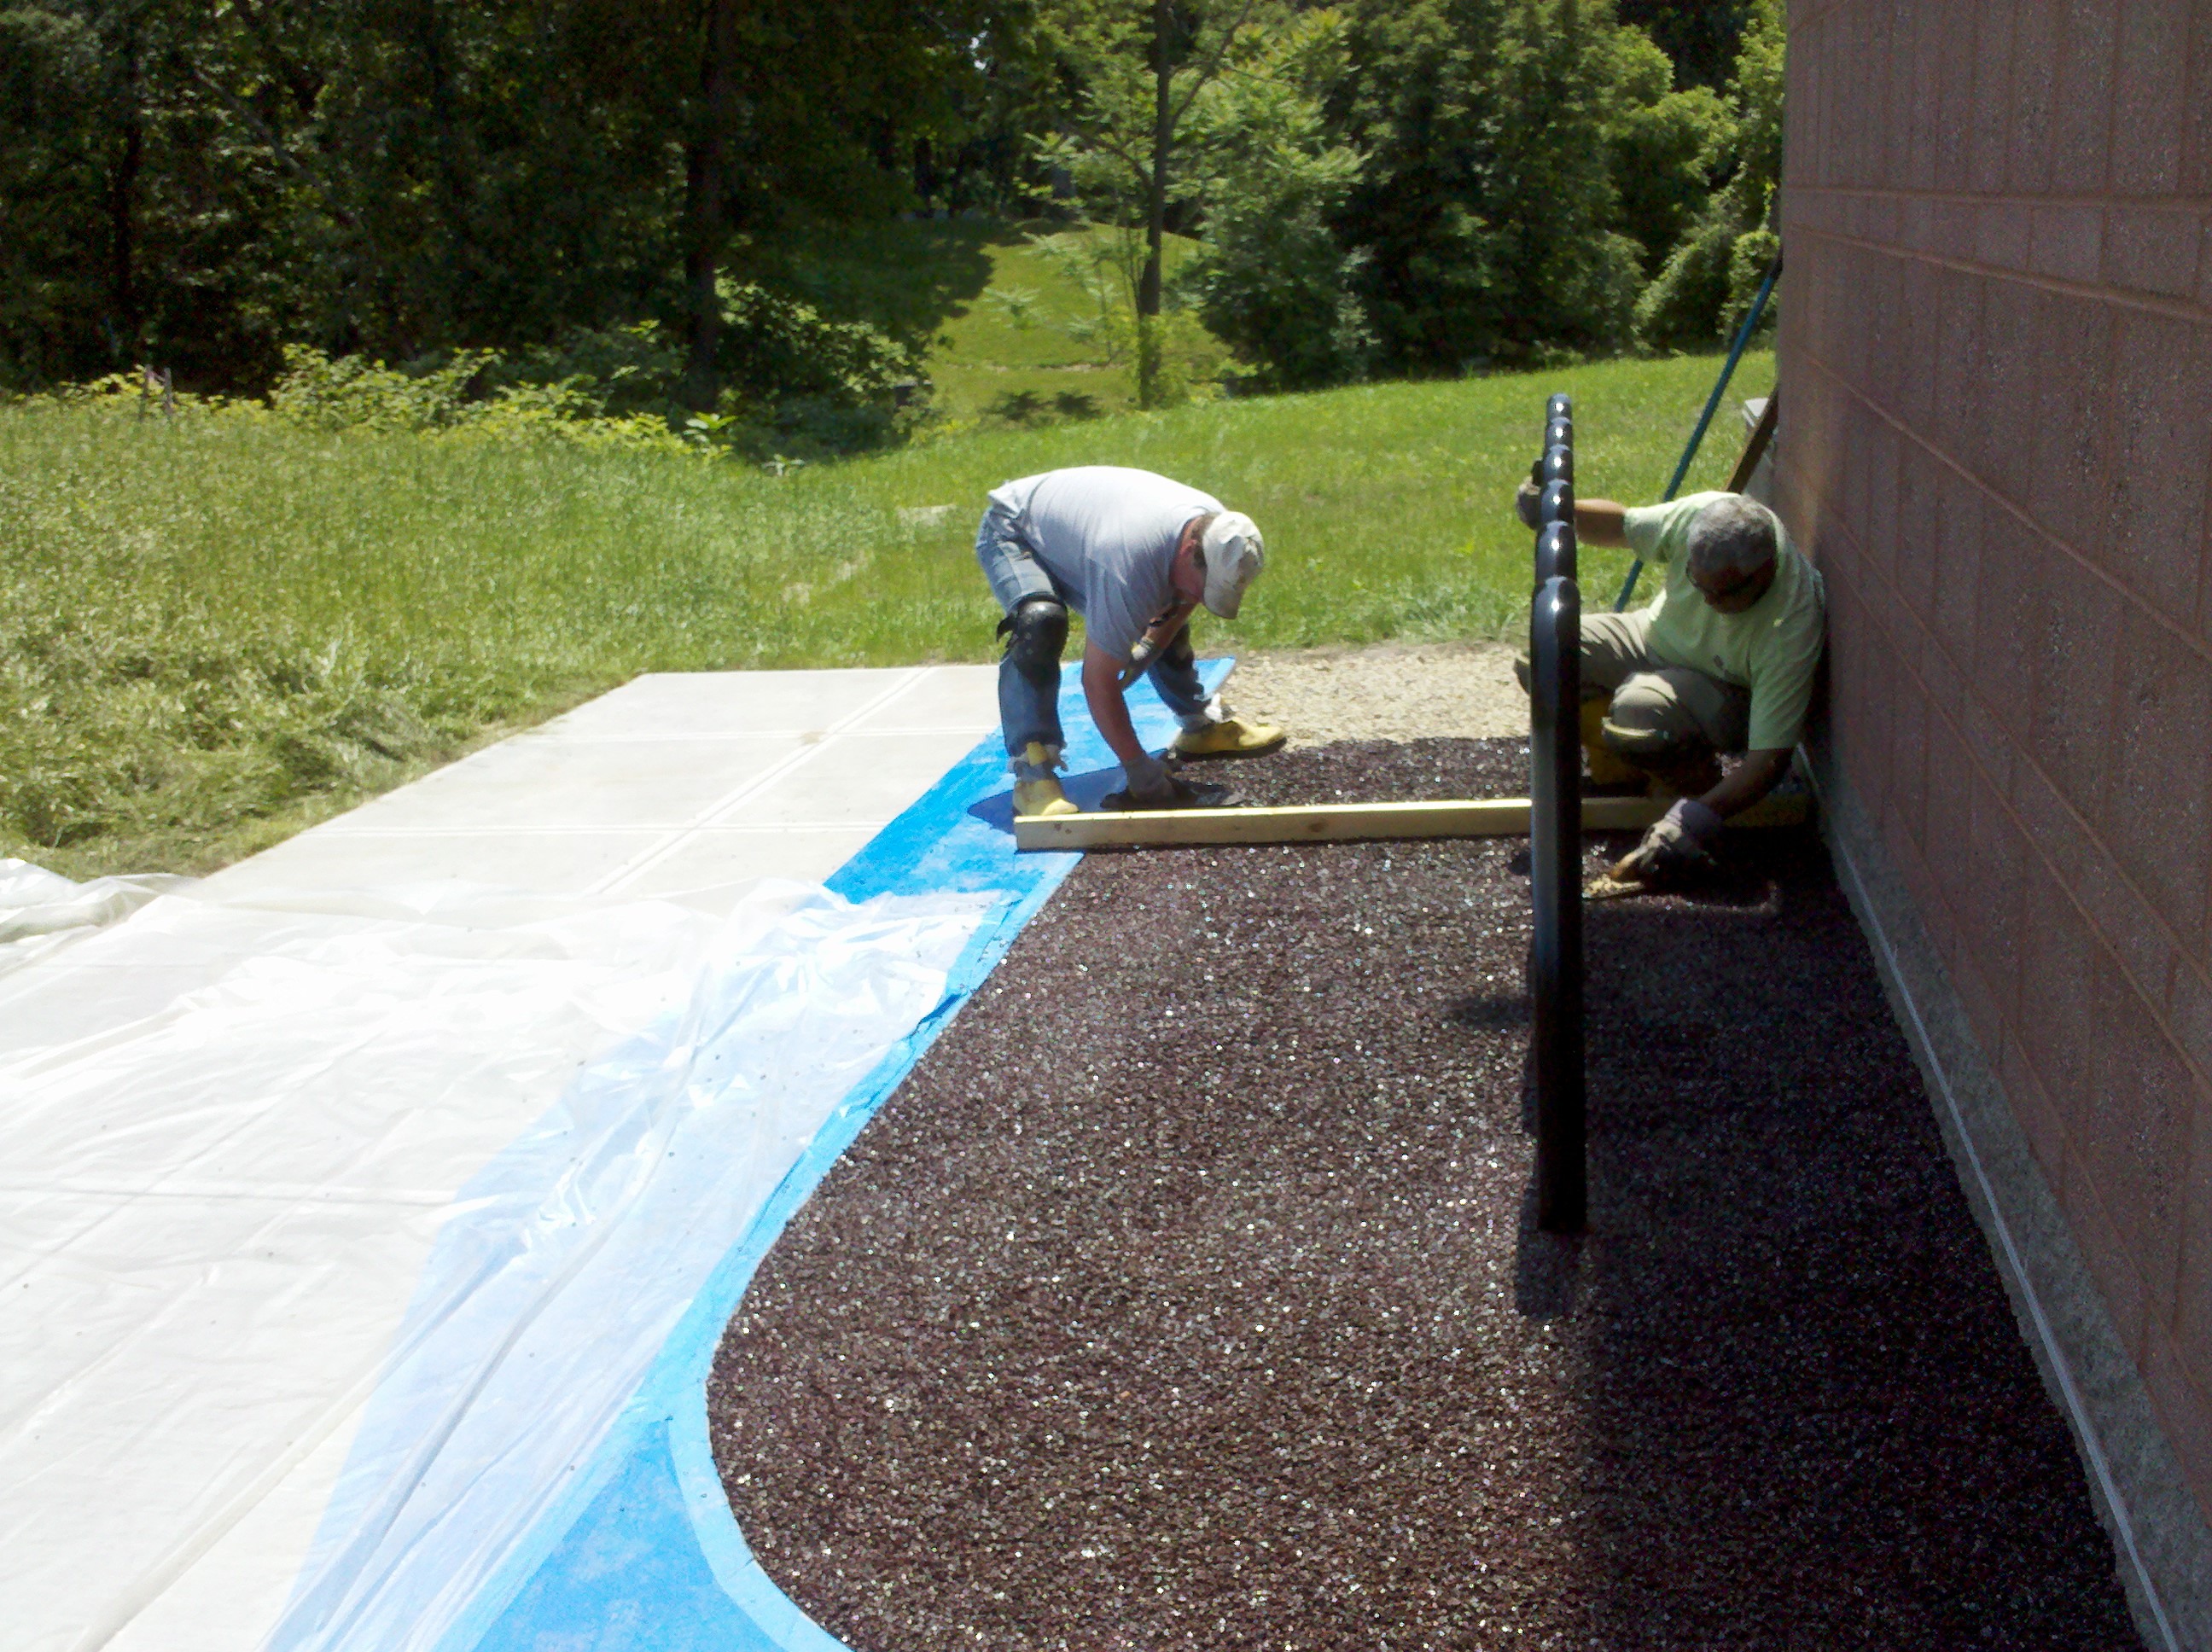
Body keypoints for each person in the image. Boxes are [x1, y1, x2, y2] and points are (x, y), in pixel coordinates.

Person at [1514, 480, 1825, 881]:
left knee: (1638, 712)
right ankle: (1624, 764)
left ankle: (1692, 785)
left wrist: (1693, 821)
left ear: (1763, 573)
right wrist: (1557, 509)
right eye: (1697, 583)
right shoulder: (1704, 515)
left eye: (1721, 594)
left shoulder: (1791, 623)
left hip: (1722, 691)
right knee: (1546, 652)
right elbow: (1622, 526)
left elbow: (1769, 760)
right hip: (1653, 636)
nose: (1707, 601)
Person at [978, 465, 1284, 817]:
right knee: (1041, 621)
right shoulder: (1129, 564)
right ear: (1189, 551)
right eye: (1206, 588)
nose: (1201, 599)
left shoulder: (1218, 531)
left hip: (1089, 532)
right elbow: (1097, 681)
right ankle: (1033, 773)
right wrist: (1137, 767)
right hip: (1014, 529)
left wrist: (1150, 648)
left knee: (1171, 596)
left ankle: (1199, 726)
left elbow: (1185, 597)